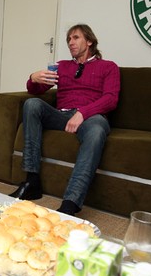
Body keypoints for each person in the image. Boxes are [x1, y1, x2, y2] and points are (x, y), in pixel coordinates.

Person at [9, 24, 120, 216]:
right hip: (61, 115)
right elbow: (36, 91)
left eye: (76, 38)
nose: (71, 42)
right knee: (32, 104)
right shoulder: (62, 67)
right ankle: (32, 180)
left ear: (90, 41)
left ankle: (71, 202)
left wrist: (83, 113)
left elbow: (111, 99)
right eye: (69, 39)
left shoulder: (108, 67)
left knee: (97, 129)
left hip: (91, 118)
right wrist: (33, 79)